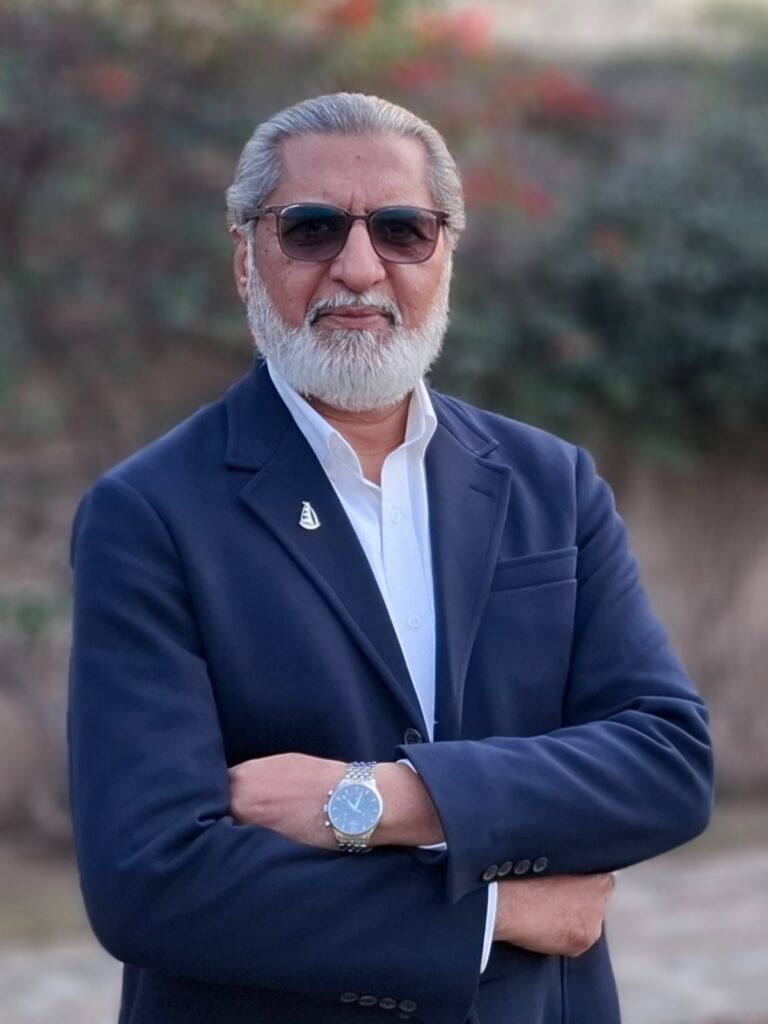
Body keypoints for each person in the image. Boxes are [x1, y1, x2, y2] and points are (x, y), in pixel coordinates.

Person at [68, 93, 713, 1024]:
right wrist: (494, 915)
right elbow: (150, 877)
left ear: (445, 254)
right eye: (313, 229)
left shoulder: (551, 482)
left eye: (402, 230)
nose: (359, 267)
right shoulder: (149, 514)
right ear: (246, 258)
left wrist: (382, 801)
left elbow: (667, 764)